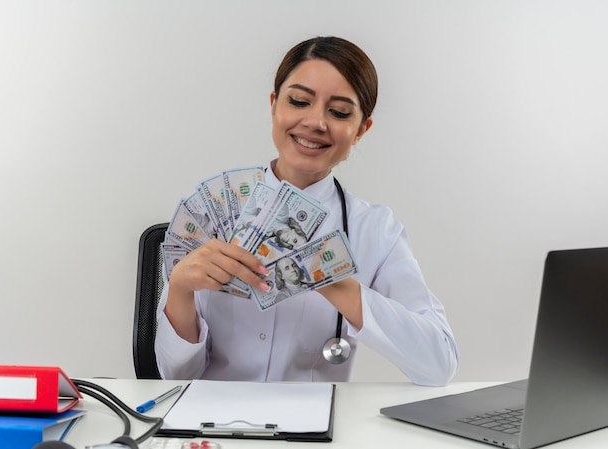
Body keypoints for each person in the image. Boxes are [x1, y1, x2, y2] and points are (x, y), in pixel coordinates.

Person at [155, 36, 459, 385]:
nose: (315, 122)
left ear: (361, 130)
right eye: (299, 101)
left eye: (339, 112)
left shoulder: (375, 231)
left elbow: (439, 363)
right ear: (274, 105)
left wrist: (334, 280)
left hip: (312, 431)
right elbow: (174, 376)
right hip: (212, 424)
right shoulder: (212, 211)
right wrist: (179, 289)